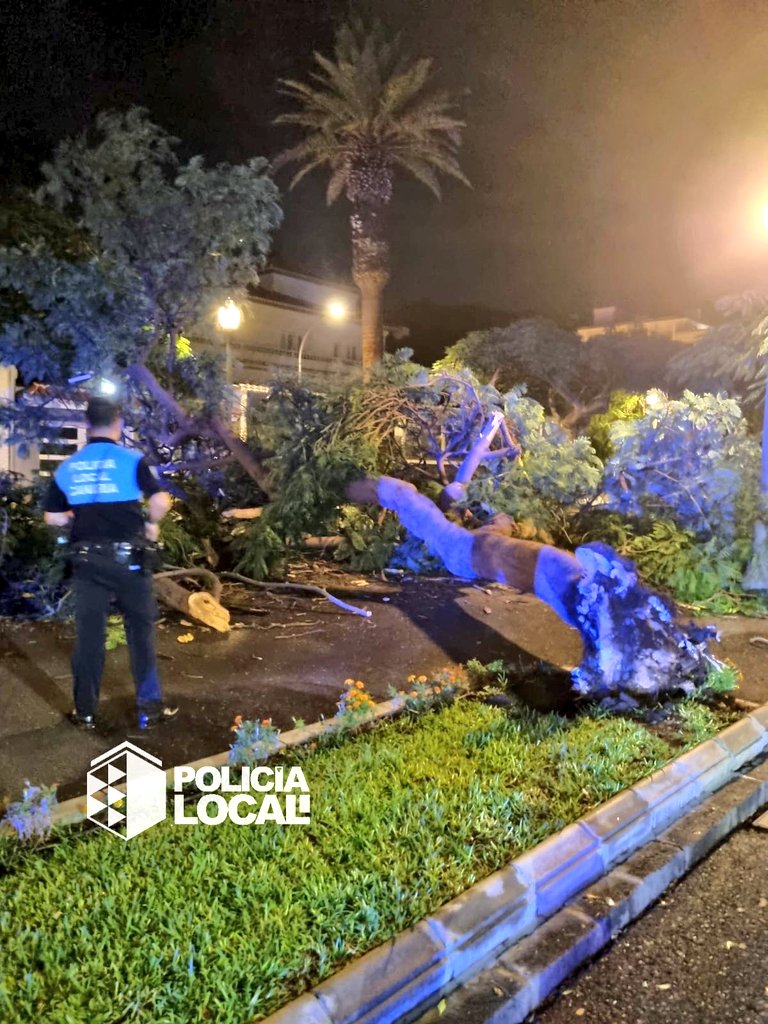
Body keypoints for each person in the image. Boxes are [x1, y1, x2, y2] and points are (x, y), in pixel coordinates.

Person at [43, 396, 178, 730]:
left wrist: (75, 516)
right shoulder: (131, 460)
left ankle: (85, 712)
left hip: (88, 564)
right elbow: (161, 500)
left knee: (89, 639)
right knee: (141, 636)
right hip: (130, 563)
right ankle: (150, 709)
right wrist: (152, 522)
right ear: (117, 423)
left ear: (88, 426)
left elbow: (52, 517)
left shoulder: (68, 468)